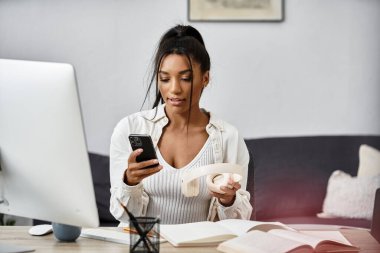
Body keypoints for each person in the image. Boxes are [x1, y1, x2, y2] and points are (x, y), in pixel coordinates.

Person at [109, 25, 252, 225]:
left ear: (205, 78)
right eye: (165, 79)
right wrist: (129, 182)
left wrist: (228, 199)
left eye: (185, 78)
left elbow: (241, 219)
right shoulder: (131, 128)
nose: (174, 89)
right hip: (146, 246)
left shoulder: (228, 137)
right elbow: (121, 214)